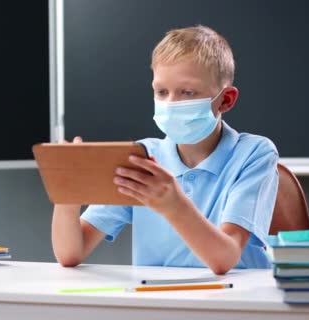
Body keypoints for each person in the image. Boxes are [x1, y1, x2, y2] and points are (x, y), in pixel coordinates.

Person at [51, 25, 279, 274]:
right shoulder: (141, 158)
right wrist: (67, 199)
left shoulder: (254, 154)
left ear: (226, 100)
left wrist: (174, 205)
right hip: (160, 302)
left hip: (235, 304)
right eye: (161, 92)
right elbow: (71, 254)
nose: (171, 104)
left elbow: (225, 258)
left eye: (188, 92)